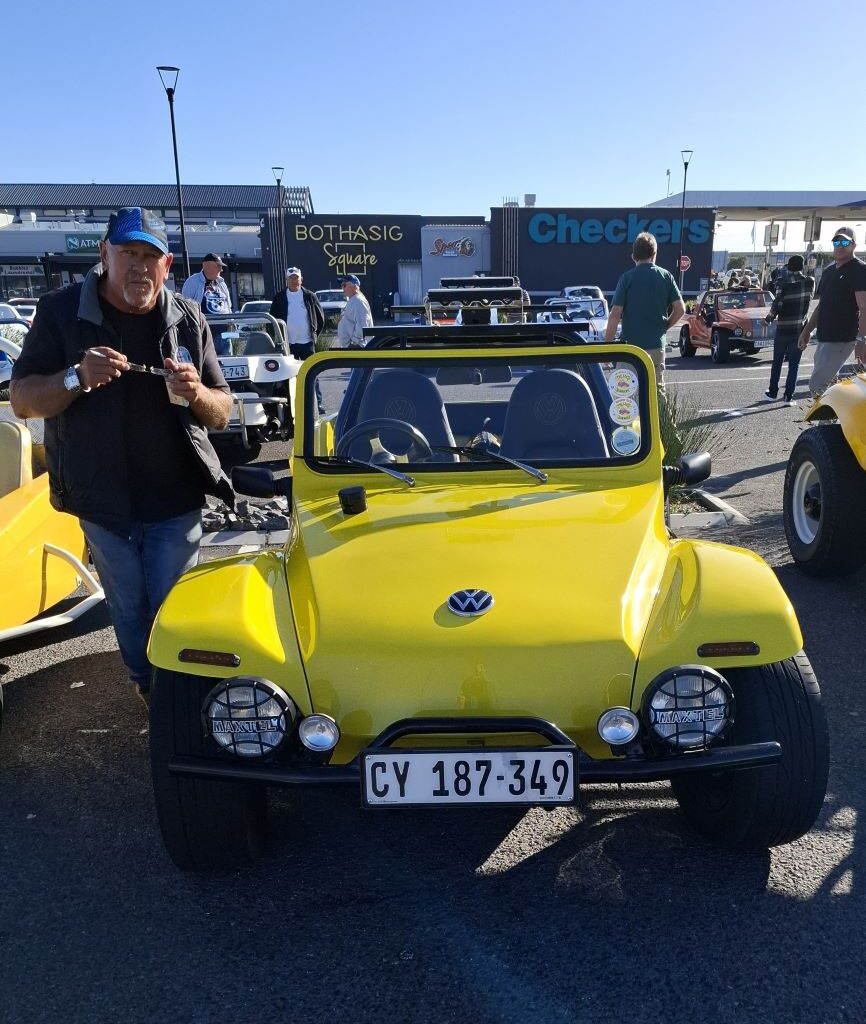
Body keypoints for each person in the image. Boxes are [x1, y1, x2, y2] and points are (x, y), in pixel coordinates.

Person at [9, 207, 233, 706]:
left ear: (167, 265)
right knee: (129, 607)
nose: (138, 267)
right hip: (101, 500)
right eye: (128, 253)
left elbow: (222, 410)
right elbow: (23, 399)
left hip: (177, 499)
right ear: (104, 254)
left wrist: (197, 394)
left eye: (149, 256)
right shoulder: (61, 313)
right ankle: (146, 681)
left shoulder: (188, 318)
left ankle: (172, 693)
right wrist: (75, 377)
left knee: (174, 606)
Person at [604, 232, 685, 390]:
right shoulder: (666, 276)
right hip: (655, 345)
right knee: (656, 392)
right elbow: (680, 309)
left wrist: (608, 347)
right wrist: (665, 326)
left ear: (633, 256)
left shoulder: (627, 278)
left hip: (629, 348)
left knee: (625, 393)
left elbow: (614, 316)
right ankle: (660, 416)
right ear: (655, 254)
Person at [799, 226, 866, 396]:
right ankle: (836, 421)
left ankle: (825, 421)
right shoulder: (829, 271)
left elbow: (864, 307)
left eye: (845, 241)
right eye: (837, 241)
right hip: (824, 337)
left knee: (817, 385)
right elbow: (822, 306)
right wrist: (806, 330)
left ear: (854, 245)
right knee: (830, 386)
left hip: (843, 338)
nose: (840, 245)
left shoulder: (859, 269)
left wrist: (861, 339)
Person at [763, 255, 814, 407]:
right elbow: (809, 299)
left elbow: (777, 304)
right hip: (800, 329)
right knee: (794, 364)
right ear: (802, 266)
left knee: (777, 362)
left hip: (783, 327)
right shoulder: (809, 281)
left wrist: (768, 319)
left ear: (788, 266)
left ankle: (772, 392)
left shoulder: (781, 282)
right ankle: (788, 397)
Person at [268, 266, 325, 359]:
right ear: (286, 280)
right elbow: (272, 320)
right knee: (290, 372)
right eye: (291, 278)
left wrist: (314, 335)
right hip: (287, 343)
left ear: (301, 279)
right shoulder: (279, 297)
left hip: (307, 344)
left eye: (296, 278)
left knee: (309, 371)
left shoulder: (310, 296)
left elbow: (320, 319)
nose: (294, 280)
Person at [335, 274, 374, 348]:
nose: (342, 288)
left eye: (344, 285)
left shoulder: (358, 301)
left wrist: (354, 342)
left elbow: (362, 324)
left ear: (354, 286)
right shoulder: (354, 299)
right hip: (354, 345)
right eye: (341, 286)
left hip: (357, 346)